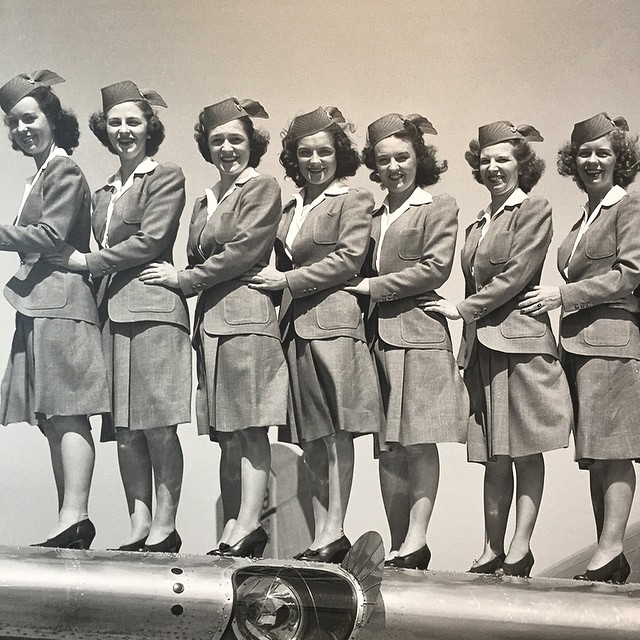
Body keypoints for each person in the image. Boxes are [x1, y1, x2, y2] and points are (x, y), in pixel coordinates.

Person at [141, 97, 288, 558]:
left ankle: (249, 524)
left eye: (236, 140)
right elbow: (197, 253)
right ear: (207, 146)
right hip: (212, 323)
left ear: (252, 145)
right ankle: (231, 525)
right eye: (218, 140)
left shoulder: (261, 188)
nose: (227, 149)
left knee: (251, 427)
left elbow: (242, 252)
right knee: (227, 432)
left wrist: (184, 281)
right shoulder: (206, 199)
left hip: (246, 317)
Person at [424, 121, 572, 577]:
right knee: (494, 455)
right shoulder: (478, 221)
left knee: (525, 450)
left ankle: (519, 548)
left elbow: (516, 275)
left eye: (503, 159)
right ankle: (491, 548)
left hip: (522, 343)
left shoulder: (534, 208)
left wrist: (463, 309)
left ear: (521, 165)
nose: (493, 167)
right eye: (486, 160)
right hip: (484, 350)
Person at [54, 81, 191, 553]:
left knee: (158, 424)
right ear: (104, 130)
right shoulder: (104, 190)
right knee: (126, 431)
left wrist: (87, 263)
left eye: (133, 121)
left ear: (149, 126)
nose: (124, 130)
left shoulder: (165, 175)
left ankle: (165, 528)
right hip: (112, 315)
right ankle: (138, 526)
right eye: (115, 123)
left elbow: (151, 240)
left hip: (154, 309)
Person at [248, 106, 382, 563]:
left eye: (324, 151)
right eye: (305, 152)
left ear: (338, 154)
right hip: (295, 330)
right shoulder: (291, 207)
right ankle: (326, 531)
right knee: (311, 438)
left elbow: (348, 259)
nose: (315, 160)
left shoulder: (354, 199)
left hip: (335, 326)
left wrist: (286, 281)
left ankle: (334, 527)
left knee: (337, 434)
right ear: (293, 157)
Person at [520, 113, 640, 584]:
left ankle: (610, 550)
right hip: (582, 345)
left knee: (615, 451)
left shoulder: (627, 207)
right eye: (584, 153)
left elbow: (630, 273)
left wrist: (563, 295)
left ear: (619, 159)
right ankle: (607, 553)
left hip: (612, 342)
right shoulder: (586, 215)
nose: (592, 161)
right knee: (595, 453)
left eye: (603, 153)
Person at [346, 113, 468, 570]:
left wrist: (372, 287)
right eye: (384, 160)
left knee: (417, 442)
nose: (394, 167)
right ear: (373, 165)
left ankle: (417, 539)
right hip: (375, 337)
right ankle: (400, 544)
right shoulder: (372, 215)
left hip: (418, 332)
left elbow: (436, 268)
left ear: (419, 158)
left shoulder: (439, 206)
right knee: (387, 445)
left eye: (403, 157)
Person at [0, 70, 110, 548]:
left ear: (52, 119)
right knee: (52, 417)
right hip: (40, 304)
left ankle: (76, 515)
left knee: (67, 413)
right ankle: (67, 518)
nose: (22, 129)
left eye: (31, 118)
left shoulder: (64, 170)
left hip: (63, 302)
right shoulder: (41, 174)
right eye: (13, 122)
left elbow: (49, 236)